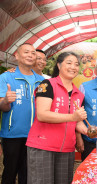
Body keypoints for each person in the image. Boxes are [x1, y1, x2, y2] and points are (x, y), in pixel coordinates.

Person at [25, 52, 90, 183]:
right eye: (69, 63)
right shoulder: (47, 85)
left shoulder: (79, 94)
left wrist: (87, 131)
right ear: (59, 65)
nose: (73, 67)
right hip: (43, 146)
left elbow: (77, 121)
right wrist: (73, 117)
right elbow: (42, 115)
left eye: (76, 64)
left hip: (66, 148)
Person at [0, 43, 44, 184]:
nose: (30, 55)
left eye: (33, 53)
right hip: (13, 134)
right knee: (10, 172)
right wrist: (6, 100)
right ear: (17, 56)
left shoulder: (42, 82)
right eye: (26, 52)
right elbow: (3, 107)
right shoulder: (6, 77)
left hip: (36, 135)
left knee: (29, 174)